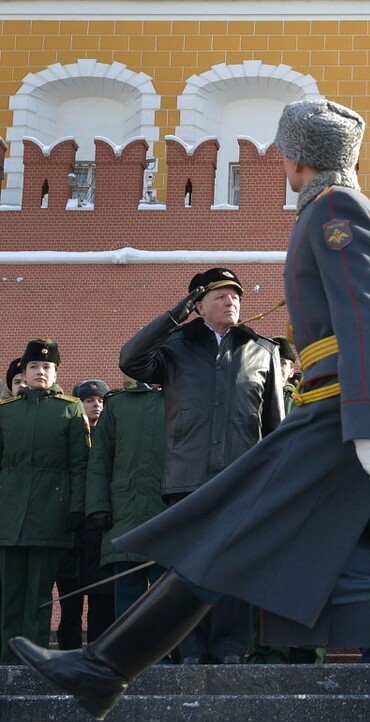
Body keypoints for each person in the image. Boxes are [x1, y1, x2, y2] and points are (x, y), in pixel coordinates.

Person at [11, 98, 370, 722]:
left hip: (348, 409)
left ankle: (105, 668)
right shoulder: (331, 206)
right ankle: (104, 669)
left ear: (302, 156)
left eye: (283, 150)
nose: (279, 160)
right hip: (342, 403)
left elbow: (365, 313)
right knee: (258, 533)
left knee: (264, 532)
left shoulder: (335, 210)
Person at [119, 265, 283, 665]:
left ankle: (230, 647)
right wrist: (174, 316)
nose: (232, 302)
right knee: (187, 570)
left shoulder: (263, 351)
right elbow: (130, 361)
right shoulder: (176, 346)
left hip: (240, 481)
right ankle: (189, 647)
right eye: (221, 296)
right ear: (199, 305)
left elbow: (275, 425)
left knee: (231, 567)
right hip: (187, 476)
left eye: (236, 297)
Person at [0, 340, 89, 663]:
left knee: (39, 595)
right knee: (8, 594)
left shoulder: (69, 408)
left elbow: (80, 466)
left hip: (50, 516)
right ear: (23, 371)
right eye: (34, 367)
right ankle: (6, 660)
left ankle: (33, 660)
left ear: (55, 373)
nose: (41, 372)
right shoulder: (5, 412)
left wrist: (77, 508)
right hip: (8, 518)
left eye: (47, 367)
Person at [84, 377, 167, 620]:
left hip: (167, 512)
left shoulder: (181, 398)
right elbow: (99, 459)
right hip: (124, 512)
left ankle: (164, 656)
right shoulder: (118, 405)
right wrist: (98, 506)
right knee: (127, 597)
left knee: (167, 597)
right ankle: (129, 656)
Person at [55, 379, 115, 652]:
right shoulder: (68, 435)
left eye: (101, 400)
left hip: (99, 527)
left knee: (102, 595)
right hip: (72, 527)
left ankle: (97, 651)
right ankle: (68, 650)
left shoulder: (111, 436)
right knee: (71, 598)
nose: (96, 405)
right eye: (90, 400)